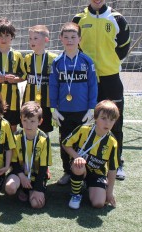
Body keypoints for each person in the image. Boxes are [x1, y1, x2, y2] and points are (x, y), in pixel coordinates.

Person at [72, 0, 131, 180]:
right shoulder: (79, 20)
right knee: (87, 121)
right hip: (87, 80)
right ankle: (86, 160)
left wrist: (109, 62)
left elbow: (123, 48)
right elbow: (74, 47)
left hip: (110, 78)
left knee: (115, 122)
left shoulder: (117, 19)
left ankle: (117, 162)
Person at [50, 22, 97, 185]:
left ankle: (82, 173)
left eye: (73, 37)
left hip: (83, 111)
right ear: (61, 39)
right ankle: (67, 172)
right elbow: (54, 85)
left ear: (79, 39)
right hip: (64, 111)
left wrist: (92, 108)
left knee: (83, 143)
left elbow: (92, 85)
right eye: (66, 37)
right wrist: (53, 108)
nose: (69, 40)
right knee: (65, 141)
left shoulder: (86, 60)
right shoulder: (57, 62)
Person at [62, 100, 120, 210]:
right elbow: (66, 144)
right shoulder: (83, 129)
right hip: (80, 167)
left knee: (98, 204)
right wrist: (77, 157)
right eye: (103, 118)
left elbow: (112, 169)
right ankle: (76, 195)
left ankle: (89, 185)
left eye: (111, 120)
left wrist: (109, 192)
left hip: (97, 174)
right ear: (95, 117)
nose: (107, 123)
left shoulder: (112, 142)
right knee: (78, 165)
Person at [5, 101, 52, 209]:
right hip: (19, 173)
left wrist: (37, 189)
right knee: (10, 188)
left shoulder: (44, 139)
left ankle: (30, 191)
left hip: (36, 175)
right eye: (25, 121)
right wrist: (21, 176)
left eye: (32, 121)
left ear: (40, 121)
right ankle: (22, 188)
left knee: (37, 205)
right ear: (20, 120)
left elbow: (43, 166)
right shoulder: (16, 136)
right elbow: (14, 161)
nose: (28, 125)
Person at [22, 25, 57, 133]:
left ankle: (43, 148)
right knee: (28, 129)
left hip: (47, 103)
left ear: (46, 40)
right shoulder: (27, 58)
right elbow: (22, 76)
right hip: (30, 102)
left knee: (44, 131)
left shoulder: (54, 58)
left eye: (35, 38)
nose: (32, 41)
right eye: (30, 38)